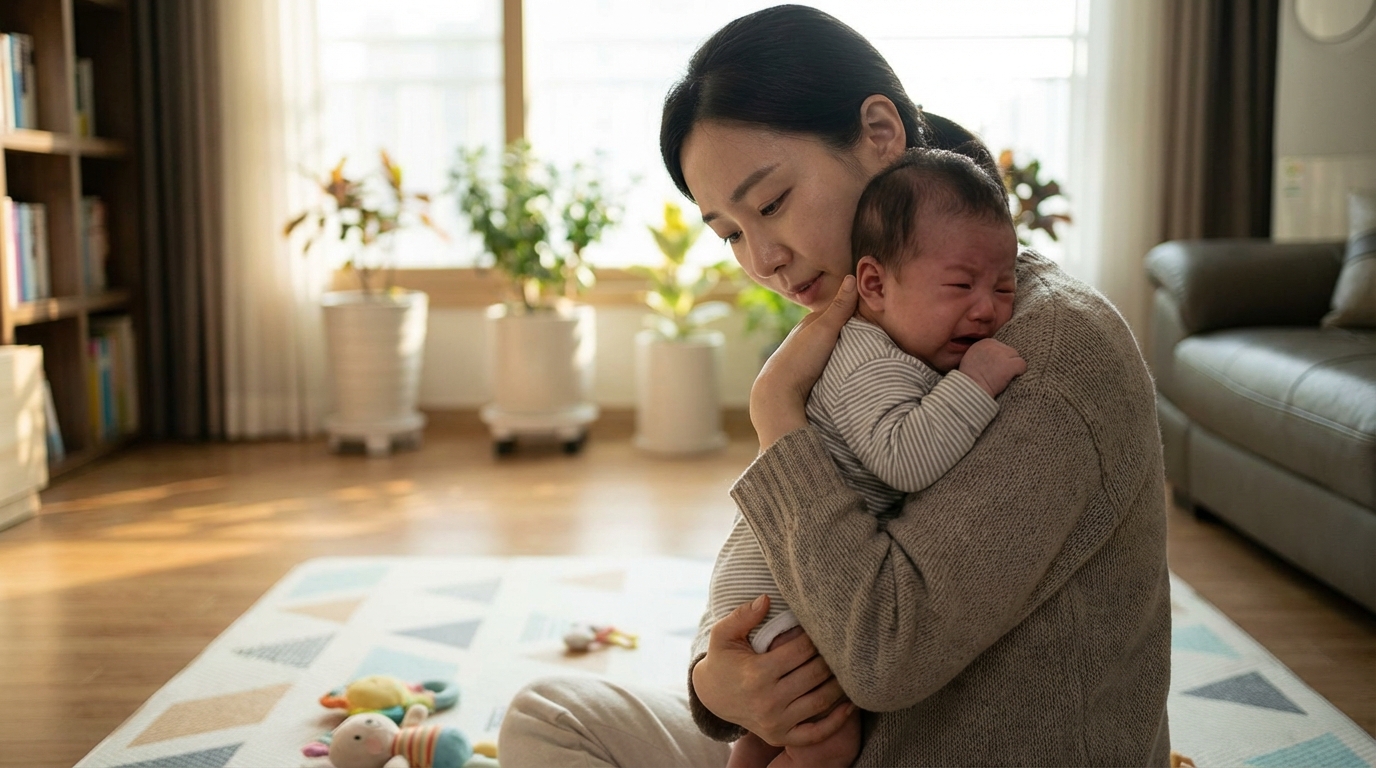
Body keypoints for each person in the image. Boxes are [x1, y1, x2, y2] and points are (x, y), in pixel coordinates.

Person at [498, 5, 1171, 766]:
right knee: (548, 713)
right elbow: (771, 553)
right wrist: (720, 683)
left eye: (773, 204)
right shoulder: (867, 332)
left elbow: (884, 652)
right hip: (842, 744)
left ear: (880, 134)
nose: (764, 261)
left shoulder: (1046, 356)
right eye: (730, 234)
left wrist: (776, 415)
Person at [714, 147, 1028, 768]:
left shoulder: (890, 342)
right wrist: (975, 382)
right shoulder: (867, 357)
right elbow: (903, 458)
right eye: (961, 286)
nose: (989, 309)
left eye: (1005, 286)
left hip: (781, 576)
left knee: (767, 738)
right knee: (825, 737)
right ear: (876, 285)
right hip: (781, 588)